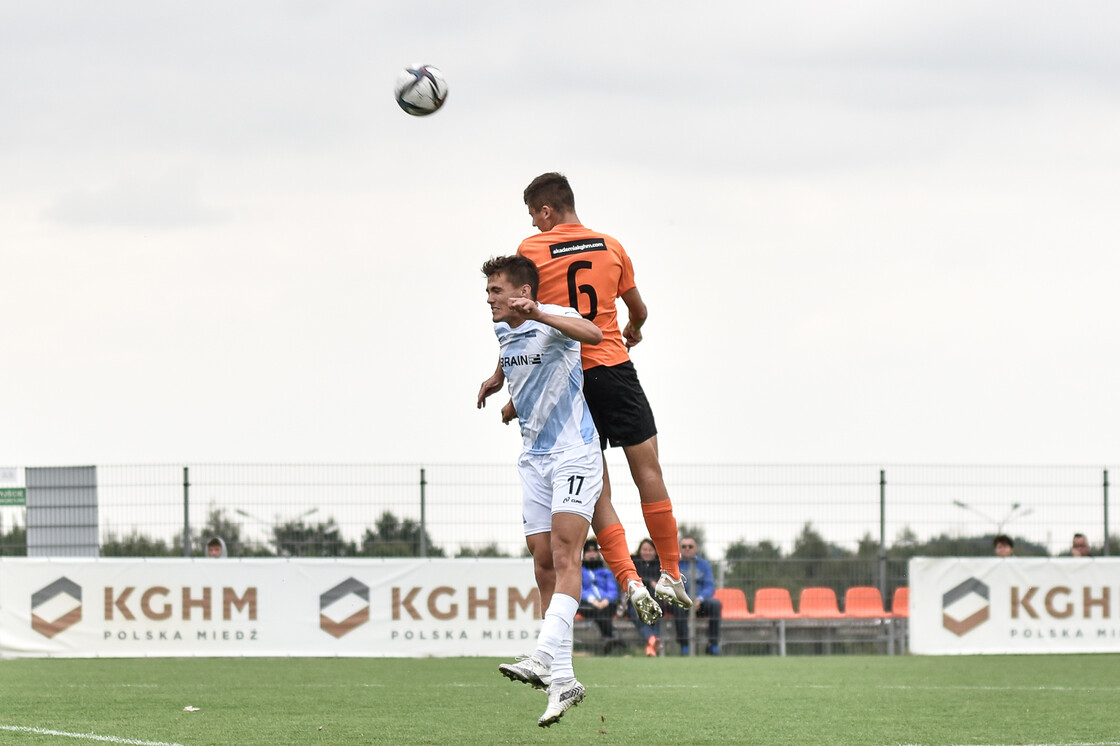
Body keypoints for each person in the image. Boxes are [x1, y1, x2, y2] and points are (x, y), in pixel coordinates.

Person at [477, 172, 690, 618]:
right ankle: (670, 571)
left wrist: (505, 378)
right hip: (612, 365)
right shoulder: (611, 245)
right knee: (648, 469)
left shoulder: (532, 250)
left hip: (566, 378)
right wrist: (635, 330)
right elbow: (640, 310)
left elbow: (522, 315)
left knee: (597, 493)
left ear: (546, 210)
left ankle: (630, 579)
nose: (535, 225)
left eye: (535, 215)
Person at [480, 255, 600, 727]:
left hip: (573, 452)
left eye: (496, 291)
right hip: (532, 458)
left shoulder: (552, 318)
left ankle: (542, 655)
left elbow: (593, 336)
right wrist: (500, 384)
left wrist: (539, 313)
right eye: (487, 291)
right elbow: (518, 359)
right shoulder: (503, 330)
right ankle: (565, 679)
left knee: (568, 555)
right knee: (543, 560)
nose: (488, 299)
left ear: (522, 292)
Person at [674, 536, 722, 656]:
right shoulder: (675, 565)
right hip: (682, 602)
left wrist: (699, 599)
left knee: (716, 605)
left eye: (690, 546)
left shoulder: (704, 565)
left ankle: (713, 645)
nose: (687, 549)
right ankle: (685, 645)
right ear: (679, 548)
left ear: (696, 548)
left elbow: (710, 586)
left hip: (700, 603)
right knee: (677, 605)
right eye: (684, 546)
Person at [578, 538, 622, 654]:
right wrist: (593, 601)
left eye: (594, 551)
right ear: (584, 554)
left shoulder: (606, 572)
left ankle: (608, 638)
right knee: (594, 610)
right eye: (588, 551)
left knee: (604, 611)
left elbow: (613, 590)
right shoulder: (579, 571)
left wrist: (606, 600)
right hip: (586, 603)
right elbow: (579, 589)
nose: (591, 554)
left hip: (607, 603)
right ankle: (613, 634)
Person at [628, 538, 666, 656]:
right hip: (635, 602)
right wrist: (651, 583)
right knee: (639, 614)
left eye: (650, 550)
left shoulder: (661, 565)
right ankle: (653, 640)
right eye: (645, 549)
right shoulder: (632, 563)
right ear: (640, 551)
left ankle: (651, 646)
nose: (647, 552)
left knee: (656, 613)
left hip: (655, 601)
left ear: (655, 551)